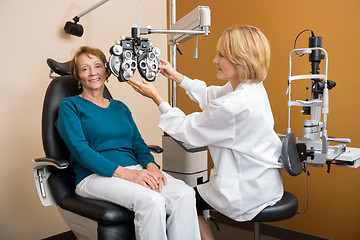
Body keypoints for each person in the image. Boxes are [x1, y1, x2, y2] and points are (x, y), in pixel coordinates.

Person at [128, 25, 284, 239]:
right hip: (263, 181)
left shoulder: (234, 106)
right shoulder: (251, 86)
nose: (215, 60)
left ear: (241, 60)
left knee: (186, 201)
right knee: (191, 197)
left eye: (221, 55)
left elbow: (185, 129)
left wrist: (157, 98)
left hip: (245, 190)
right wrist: (176, 76)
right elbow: (214, 95)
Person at [55, 46, 201, 240]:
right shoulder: (70, 105)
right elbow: (81, 151)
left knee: (184, 194)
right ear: (78, 76)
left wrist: (152, 167)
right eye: (85, 68)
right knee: (152, 201)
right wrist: (128, 174)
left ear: (107, 71)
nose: (93, 73)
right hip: (93, 176)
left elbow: (138, 143)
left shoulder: (120, 107)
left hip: (135, 168)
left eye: (97, 66)